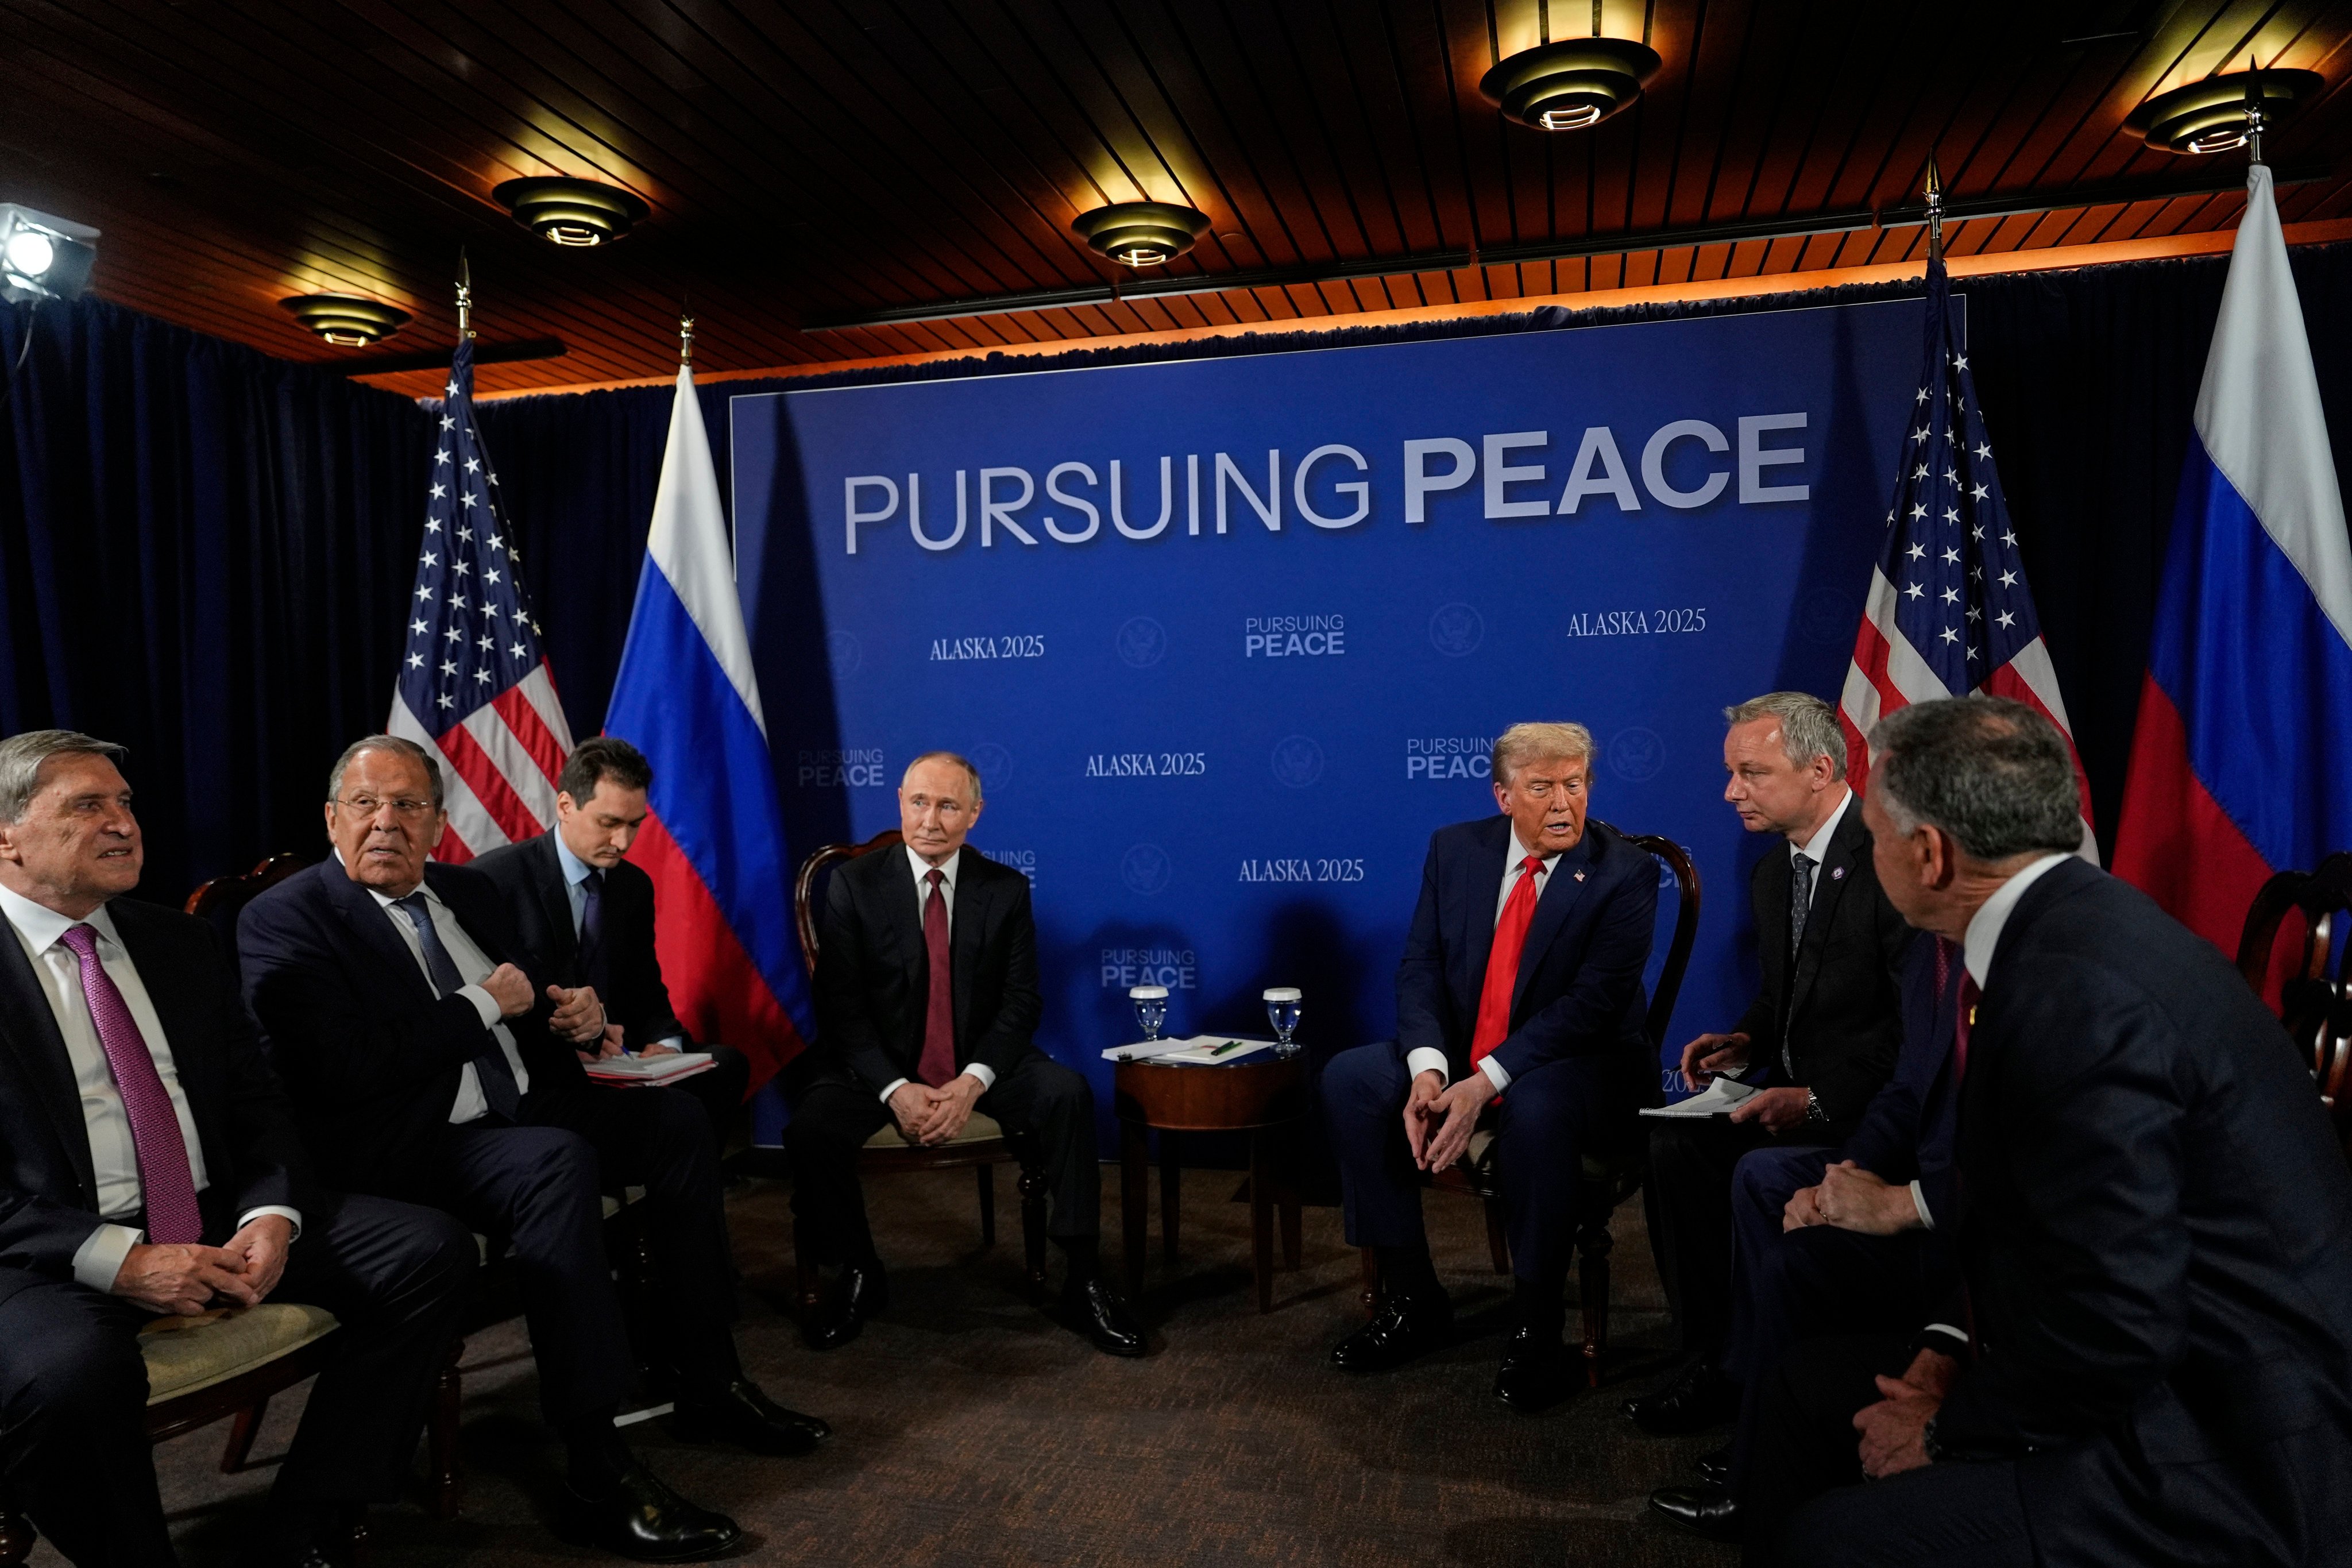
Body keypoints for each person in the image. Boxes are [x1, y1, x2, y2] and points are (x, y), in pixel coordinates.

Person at [1744, 696, 2352, 1567]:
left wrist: (1949, 1429)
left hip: (2219, 1444)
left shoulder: (2073, 995)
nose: (1865, 851)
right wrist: (1947, 1345)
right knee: (1803, 1392)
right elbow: (2028, 1220)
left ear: (1927, 854)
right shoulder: (2068, 928)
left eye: (1872, 832)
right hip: (2141, 1360)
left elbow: (2118, 1319)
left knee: (1830, 1541)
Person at [238, 736, 830, 1564]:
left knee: (679, 1122)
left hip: (517, 1103)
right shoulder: (287, 916)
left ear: (439, 822)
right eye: (367, 805)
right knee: (555, 1161)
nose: (387, 823)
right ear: (332, 817)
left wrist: (574, 1017)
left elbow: (530, 999)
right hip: (406, 1140)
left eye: (409, 805)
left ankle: (707, 1376)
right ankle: (596, 1460)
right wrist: (482, 1002)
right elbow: (342, 1069)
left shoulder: (465, 891)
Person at [0, 729, 476, 1568]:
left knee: (426, 1249)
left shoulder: (175, 940)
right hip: (50, 1250)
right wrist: (123, 1259)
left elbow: (257, 1099)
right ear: (7, 835)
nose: (123, 823)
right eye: (87, 805)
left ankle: (309, 1521)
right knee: (70, 1375)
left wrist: (272, 1208)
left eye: (126, 802)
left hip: (207, 1210)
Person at [1322, 721, 1658, 1412]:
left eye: (1577, 785)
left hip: (1584, 1064)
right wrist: (1428, 1070)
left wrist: (1488, 1081)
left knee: (1537, 1110)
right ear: (1504, 795)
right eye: (1543, 788)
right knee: (1352, 1080)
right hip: (1471, 1053)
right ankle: (1413, 1299)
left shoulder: (1624, 872)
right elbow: (1420, 968)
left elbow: (1592, 1008)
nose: (1565, 804)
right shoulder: (1456, 851)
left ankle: (1538, 1328)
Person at [790, 751, 1142, 1356]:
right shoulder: (854, 885)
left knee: (1069, 1095)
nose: (930, 819)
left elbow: (1021, 1003)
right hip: (877, 1065)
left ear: (974, 815)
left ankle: (1083, 1279)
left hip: (981, 1060)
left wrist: (973, 1082)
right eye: (919, 802)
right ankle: (857, 1270)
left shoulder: (1004, 890)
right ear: (899, 801)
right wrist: (895, 1089)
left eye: (948, 806)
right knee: (811, 1129)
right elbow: (842, 1011)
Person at [1629, 692, 1911, 1437]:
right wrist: (1745, 1041)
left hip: (1873, 1111)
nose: (1729, 792)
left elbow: (1913, 1029)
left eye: (1750, 773)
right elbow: (1785, 996)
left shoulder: (1886, 858)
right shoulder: (1770, 872)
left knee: (1748, 1167)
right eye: (1731, 773)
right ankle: (1710, 1352)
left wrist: (1814, 1099)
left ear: (1818, 769)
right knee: (1673, 1143)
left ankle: (1755, 1374)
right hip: (1792, 1095)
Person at [1648, 928, 1963, 1541]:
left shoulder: (2011, 956)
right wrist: (1841, 1181)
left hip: (1916, 1180)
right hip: (1866, 1139)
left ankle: (1761, 1460)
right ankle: (1733, 1380)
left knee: (1782, 1224)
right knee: (1693, 1153)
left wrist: (1896, 1198)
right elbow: (1905, 1087)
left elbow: (2023, 1155)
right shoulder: (1930, 944)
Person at [473, 736, 752, 1148]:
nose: (622, 842)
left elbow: (644, 984)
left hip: (617, 1055)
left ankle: (676, 1196)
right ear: (566, 806)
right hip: (546, 1061)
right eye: (608, 823)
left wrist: (666, 1043)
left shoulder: (632, 885)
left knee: (727, 1065)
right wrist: (583, 1037)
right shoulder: (495, 881)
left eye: (634, 824)